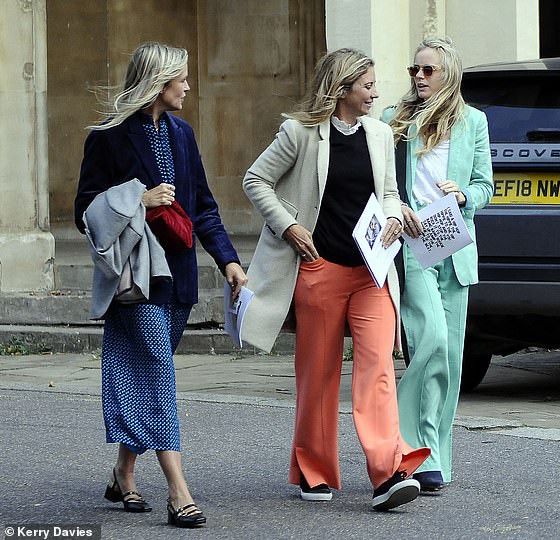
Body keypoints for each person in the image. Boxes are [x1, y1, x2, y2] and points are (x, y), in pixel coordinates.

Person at [240, 48, 430, 511]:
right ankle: (315, 470)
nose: (376, 93)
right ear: (342, 88)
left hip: (372, 272)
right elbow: (254, 180)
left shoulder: (382, 134)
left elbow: (388, 190)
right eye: (368, 85)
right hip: (320, 269)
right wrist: (288, 224)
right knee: (318, 376)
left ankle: (389, 473)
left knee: (378, 370)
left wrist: (391, 216)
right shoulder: (299, 134)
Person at [74, 42, 247, 528]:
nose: (189, 86)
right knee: (158, 375)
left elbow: (204, 207)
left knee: (148, 375)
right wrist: (139, 199)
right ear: (157, 82)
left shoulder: (183, 134)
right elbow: (83, 211)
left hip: (181, 277)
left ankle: (122, 473)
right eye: (182, 79)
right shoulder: (107, 138)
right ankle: (179, 491)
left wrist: (229, 262)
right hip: (137, 277)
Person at [382, 37, 493, 491]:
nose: (420, 78)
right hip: (413, 242)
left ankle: (435, 456)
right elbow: (382, 179)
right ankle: (406, 445)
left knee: (450, 356)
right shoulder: (395, 119)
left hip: (454, 242)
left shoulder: (473, 122)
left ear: (449, 74)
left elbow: (486, 184)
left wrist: (464, 194)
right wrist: (396, 207)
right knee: (428, 340)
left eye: (429, 71)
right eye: (415, 70)